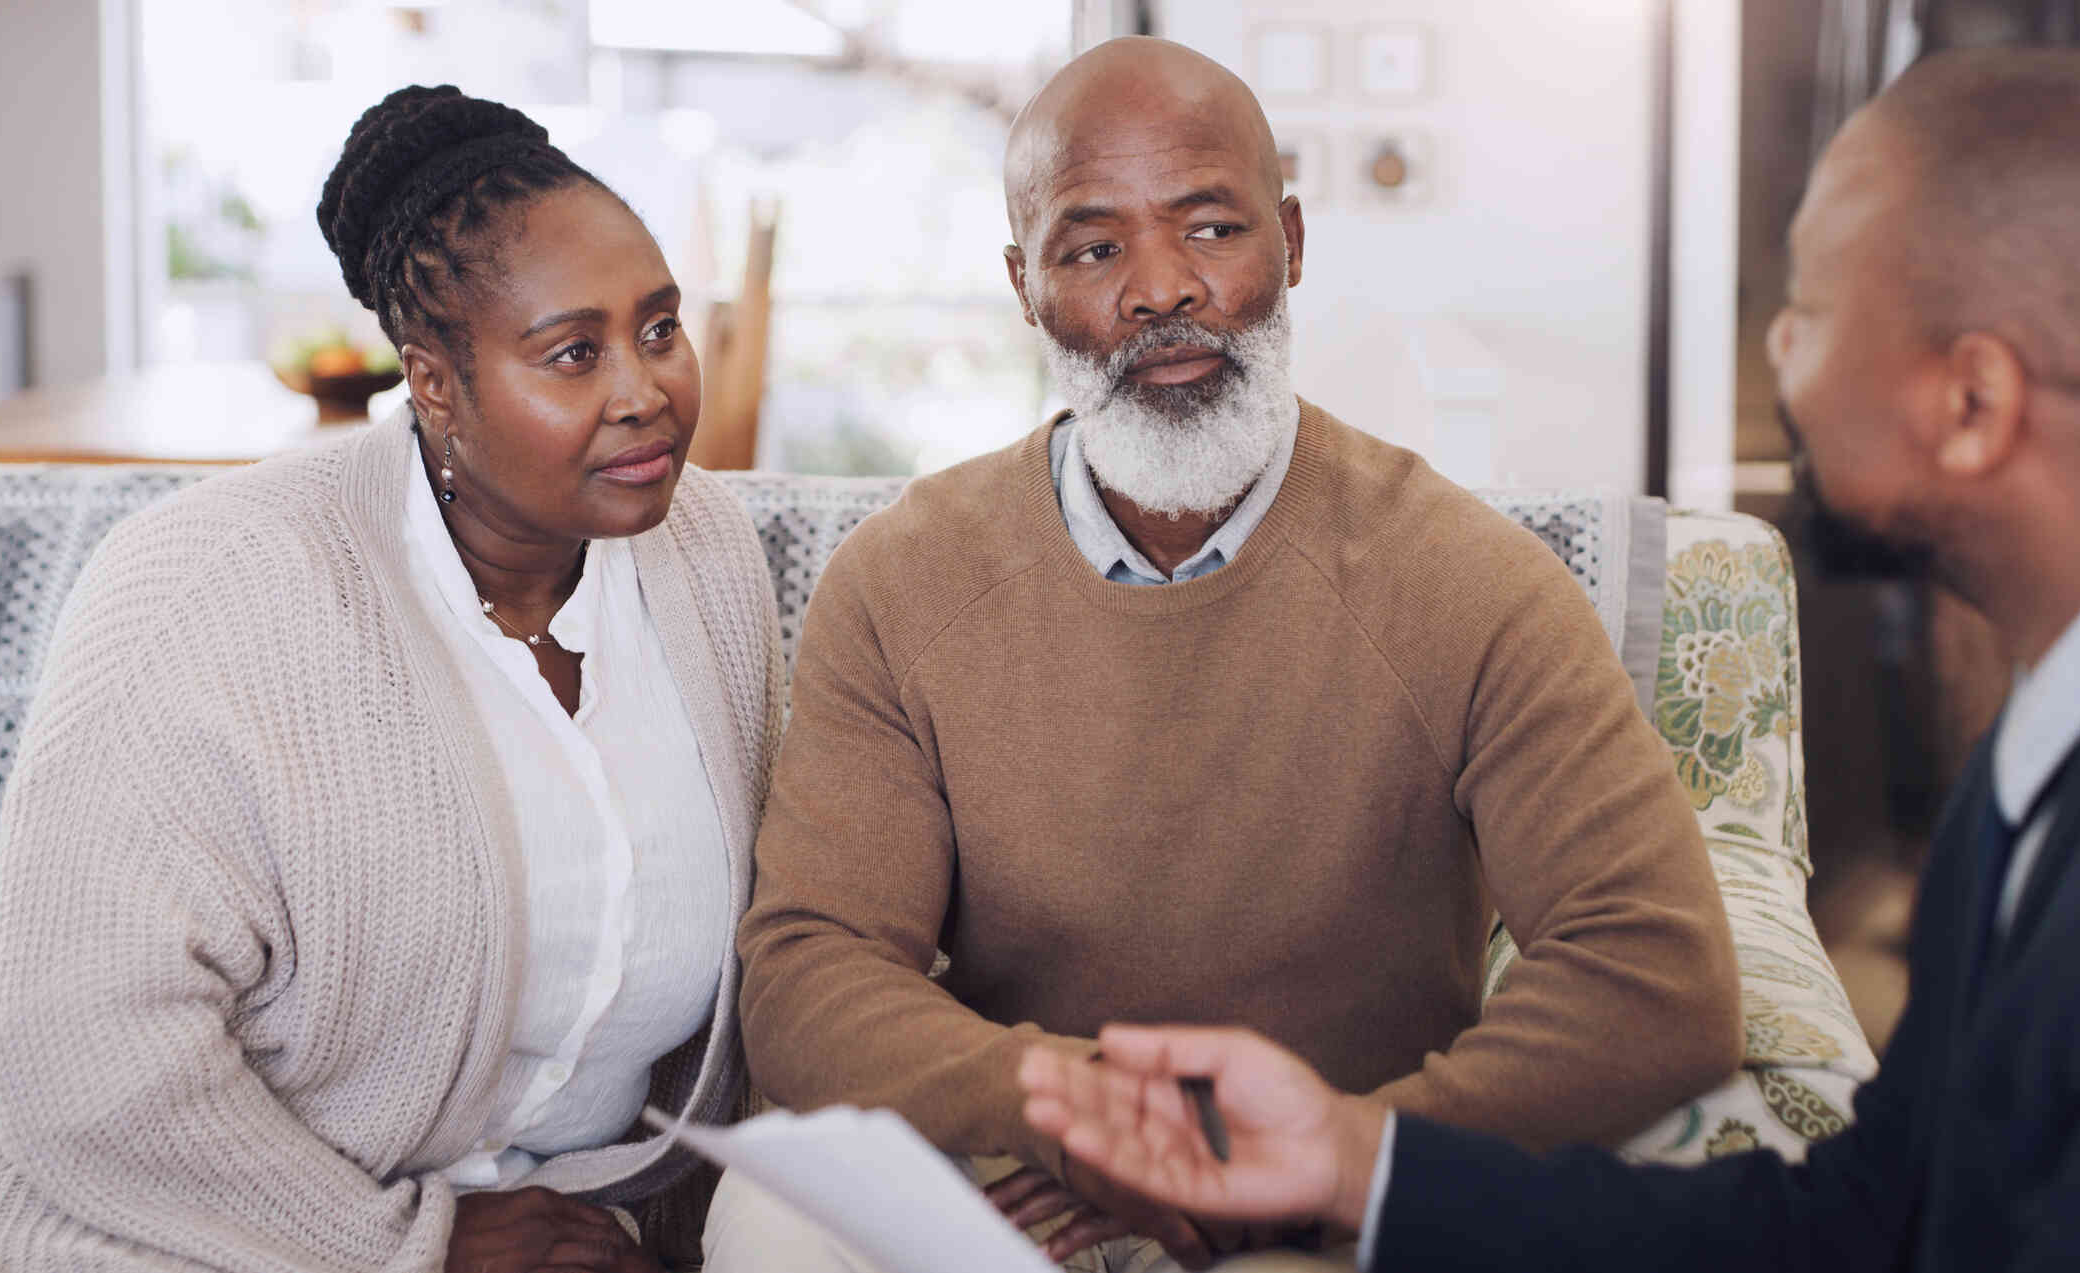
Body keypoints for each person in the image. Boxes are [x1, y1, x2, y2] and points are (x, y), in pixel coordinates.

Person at [1017, 46, 2080, 1273]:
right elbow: (1860, 1220)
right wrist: (1353, 1163)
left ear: (1972, 406)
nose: (1779, 352)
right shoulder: (2057, 748)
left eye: (1816, 308)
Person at [712, 36, 1739, 1273]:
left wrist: (1340, 1155)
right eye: (1093, 249)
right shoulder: (898, 579)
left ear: (1291, 246)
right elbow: (808, 972)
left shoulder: (1475, 584)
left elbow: (1655, 975)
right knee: (766, 1221)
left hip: (1329, 1199)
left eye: (1210, 230)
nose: (1160, 289)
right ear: (1024, 287)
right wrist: (1069, 1107)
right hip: (1015, 1181)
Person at [0, 86, 784, 1273]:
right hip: (94, 1190)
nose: (645, 390)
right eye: (572, 353)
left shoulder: (707, 555)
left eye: (659, 328)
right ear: (434, 383)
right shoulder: (214, 581)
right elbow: (84, 1057)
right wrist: (413, 1245)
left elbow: (761, 954)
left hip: (543, 1202)